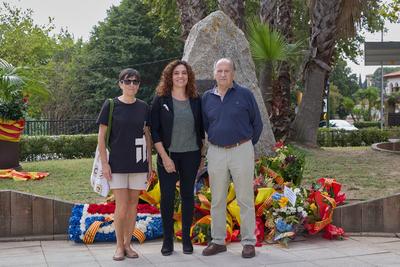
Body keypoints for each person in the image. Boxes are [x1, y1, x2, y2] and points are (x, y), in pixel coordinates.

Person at [201, 58, 263, 258]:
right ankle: (218, 241)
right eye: (219, 70)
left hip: (241, 150)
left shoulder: (244, 94)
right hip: (216, 151)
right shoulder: (206, 98)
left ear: (233, 74)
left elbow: (257, 124)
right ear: (214, 74)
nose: (223, 74)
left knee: (245, 198)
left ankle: (248, 242)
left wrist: (245, 147)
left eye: (227, 71)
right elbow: (204, 125)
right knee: (217, 199)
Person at [151, 60, 205, 256]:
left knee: (188, 197)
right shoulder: (161, 100)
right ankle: (167, 241)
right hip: (168, 156)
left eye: (184, 73)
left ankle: (187, 240)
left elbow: (201, 130)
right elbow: (154, 131)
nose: (180, 76)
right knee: (166, 198)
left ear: (188, 76)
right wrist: (164, 157)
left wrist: (201, 154)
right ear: (170, 77)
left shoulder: (196, 100)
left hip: (190, 155)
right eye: (176, 73)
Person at [97, 68, 152, 261]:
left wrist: (149, 164)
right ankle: (119, 246)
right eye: (127, 81)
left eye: (135, 82)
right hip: (117, 164)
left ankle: (128, 244)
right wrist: (105, 164)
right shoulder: (111, 105)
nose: (131, 85)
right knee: (121, 207)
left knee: (133, 206)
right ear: (120, 83)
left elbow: (147, 135)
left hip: (138, 163)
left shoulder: (144, 107)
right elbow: (101, 138)